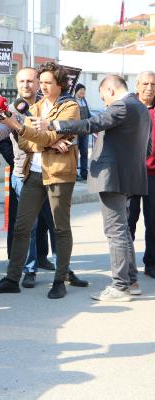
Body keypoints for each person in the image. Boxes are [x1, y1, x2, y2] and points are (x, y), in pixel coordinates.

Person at [0, 62, 83, 299]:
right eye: (43, 82)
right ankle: (12, 278)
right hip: (33, 173)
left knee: (60, 229)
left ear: (61, 85)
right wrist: (50, 140)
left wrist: (20, 126)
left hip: (59, 174)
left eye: (49, 82)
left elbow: (45, 133)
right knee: (21, 227)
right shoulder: (36, 107)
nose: (44, 86)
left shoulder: (70, 106)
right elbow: (27, 143)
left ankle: (60, 280)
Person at [49, 75, 151, 301]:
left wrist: (55, 124)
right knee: (122, 231)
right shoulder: (141, 108)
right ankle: (131, 280)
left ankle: (120, 286)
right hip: (126, 177)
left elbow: (90, 124)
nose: (104, 101)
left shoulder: (122, 106)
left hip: (113, 178)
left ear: (111, 90)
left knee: (115, 232)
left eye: (104, 96)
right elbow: (148, 148)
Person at [127, 71, 155, 280]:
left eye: (153, 84)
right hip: (131, 173)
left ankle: (151, 263)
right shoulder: (128, 107)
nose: (149, 88)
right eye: (145, 84)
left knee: (153, 222)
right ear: (137, 86)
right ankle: (126, 265)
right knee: (129, 221)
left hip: (153, 175)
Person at [74, 83, 91, 181]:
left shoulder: (84, 100)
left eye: (84, 91)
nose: (83, 93)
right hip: (76, 131)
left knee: (84, 152)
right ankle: (74, 173)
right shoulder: (72, 100)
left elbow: (88, 114)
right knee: (75, 152)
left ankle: (84, 173)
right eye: (81, 90)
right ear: (76, 91)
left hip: (84, 130)